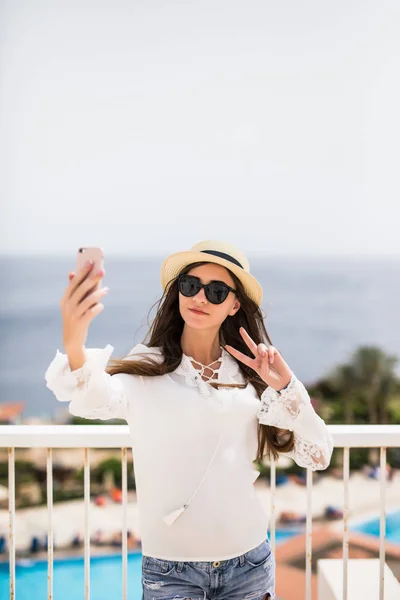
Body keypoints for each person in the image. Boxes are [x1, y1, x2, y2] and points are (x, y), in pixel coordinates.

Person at [45, 239, 334, 600]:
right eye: (190, 285)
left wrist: (289, 388)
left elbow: (318, 454)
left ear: (234, 305)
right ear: (178, 292)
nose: (199, 297)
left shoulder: (253, 377)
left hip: (249, 565)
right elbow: (95, 397)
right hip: (171, 572)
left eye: (216, 291)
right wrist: (74, 340)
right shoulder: (146, 370)